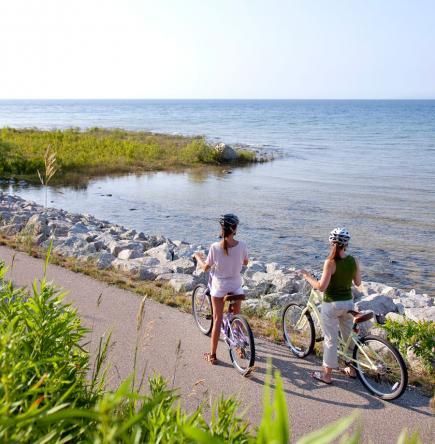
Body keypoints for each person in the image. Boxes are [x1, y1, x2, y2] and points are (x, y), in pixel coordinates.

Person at [301, 227, 361, 384]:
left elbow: (321, 287)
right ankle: (351, 369)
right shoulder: (353, 260)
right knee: (349, 337)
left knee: (330, 339)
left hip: (332, 305)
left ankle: (326, 376)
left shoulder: (330, 262)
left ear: (331, 242)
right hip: (348, 303)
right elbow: (358, 282)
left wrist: (307, 276)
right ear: (346, 244)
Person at [194, 214, 249, 365]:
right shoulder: (242, 245)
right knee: (236, 318)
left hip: (219, 288)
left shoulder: (214, 247)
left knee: (217, 319)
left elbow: (206, 268)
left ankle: (212, 355)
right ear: (235, 229)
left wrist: (198, 258)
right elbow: (245, 262)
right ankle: (239, 348)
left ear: (222, 229)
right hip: (236, 286)